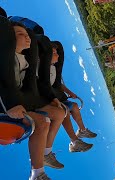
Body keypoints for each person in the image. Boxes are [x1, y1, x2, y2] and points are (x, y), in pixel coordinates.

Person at [8, 21, 65, 180]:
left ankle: (46, 153)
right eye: (21, 35)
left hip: (22, 101)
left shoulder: (25, 60)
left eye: (28, 35)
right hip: (7, 105)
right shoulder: (6, 57)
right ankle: (37, 173)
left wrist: (52, 98)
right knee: (42, 122)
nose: (27, 38)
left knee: (59, 113)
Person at [50, 42, 95, 152]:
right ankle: (74, 142)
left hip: (56, 96)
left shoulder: (53, 69)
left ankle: (82, 130)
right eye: (54, 53)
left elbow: (58, 84)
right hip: (50, 98)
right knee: (65, 112)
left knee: (74, 106)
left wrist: (70, 93)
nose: (58, 55)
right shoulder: (42, 68)